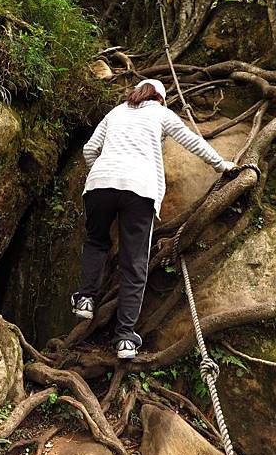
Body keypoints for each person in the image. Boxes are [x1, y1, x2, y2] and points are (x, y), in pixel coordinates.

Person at [71, 79, 237, 360]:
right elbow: (192, 141)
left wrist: (105, 174)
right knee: (134, 263)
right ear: (160, 97)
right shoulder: (161, 113)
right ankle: (124, 338)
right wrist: (222, 164)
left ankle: (85, 300)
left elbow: (89, 150)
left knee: (97, 241)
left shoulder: (116, 112)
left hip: (99, 185)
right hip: (139, 189)